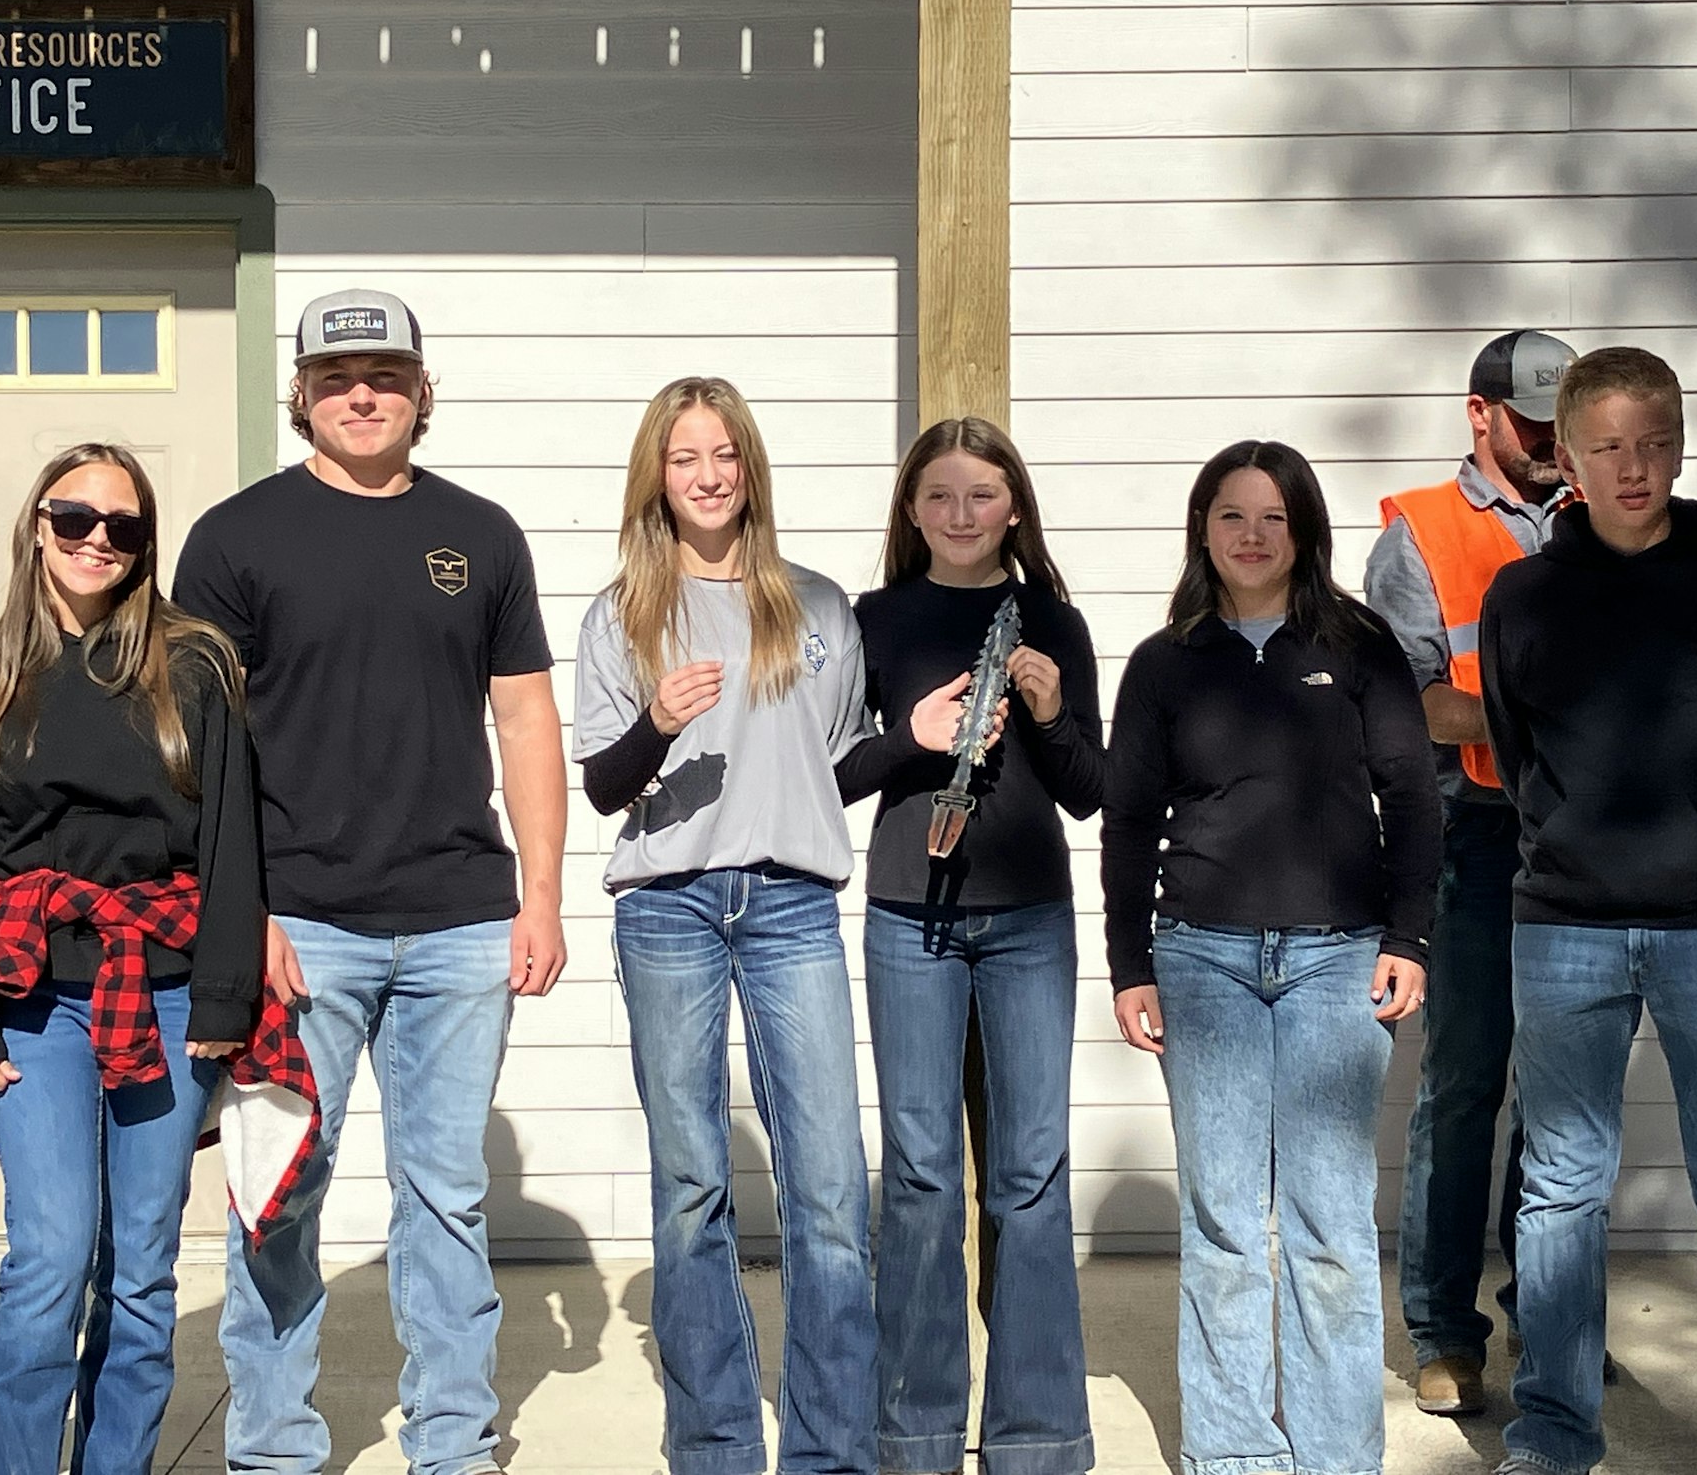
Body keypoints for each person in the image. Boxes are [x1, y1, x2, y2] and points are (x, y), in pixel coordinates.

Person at [176, 288, 569, 1475]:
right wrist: (241, 923)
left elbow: (525, 717)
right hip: (298, 922)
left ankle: (452, 1443)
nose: (363, 395)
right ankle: (272, 1447)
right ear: (300, 394)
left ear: (420, 392)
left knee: (445, 1197)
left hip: (458, 921)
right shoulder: (235, 538)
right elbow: (195, 748)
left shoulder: (484, 535)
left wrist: (540, 896)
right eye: (339, 377)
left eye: (386, 376)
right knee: (280, 1189)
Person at [1480, 347, 1697, 1475]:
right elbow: (1517, 748)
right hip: (1563, 928)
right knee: (1560, 1194)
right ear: (1567, 458)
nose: (1635, 469)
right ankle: (1553, 1432)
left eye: (1654, 443)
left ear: (1680, 443)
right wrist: (1572, 848)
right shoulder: (1522, 596)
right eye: (1609, 448)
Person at [0, 443, 262, 1474]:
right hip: (28, 1001)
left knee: (144, 1268)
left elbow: (230, 843)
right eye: (76, 519)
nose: (98, 541)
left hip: (163, 995)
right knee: (54, 1255)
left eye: (124, 527)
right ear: (37, 526)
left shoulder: (191, 663)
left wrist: (224, 997)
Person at [1104, 439, 1441, 1475]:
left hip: (1335, 961)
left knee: (1329, 1223)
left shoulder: (1360, 644)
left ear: (1302, 531)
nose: (1250, 537)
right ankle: (1234, 1453)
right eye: (1229, 517)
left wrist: (1406, 937)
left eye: (1271, 518)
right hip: (1200, 958)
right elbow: (1126, 822)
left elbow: (1413, 795)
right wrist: (1129, 965)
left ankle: (1338, 1455)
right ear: (1201, 530)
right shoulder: (1166, 662)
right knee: (1220, 1221)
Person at [573, 375, 877, 1475]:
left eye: (724, 456)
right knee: (692, 1183)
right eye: (684, 457)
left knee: (830, 1184)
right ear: (657, 475)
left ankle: (832, 1451)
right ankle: (711, 1448)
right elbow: (606, 789)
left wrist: (923, 736)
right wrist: (657, 723)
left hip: (792, 905)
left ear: (749, 469)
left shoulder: (816, 605)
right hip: (669, 911)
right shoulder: (621, 614)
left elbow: (829, 767)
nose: (706, 476)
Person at [837, 417, 1102, 1475]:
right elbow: (834, 774)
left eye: (980, 496)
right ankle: (914, 1432)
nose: (959, 515)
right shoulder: (872, 621)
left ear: (1014, 508)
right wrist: (914, 736)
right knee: (918, 1174)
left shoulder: (1053, 622)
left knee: (1028, 1176)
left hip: (1029, 917)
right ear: (910, 511)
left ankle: (1037, 1437)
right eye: (938, 497)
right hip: (909, 915)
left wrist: (1043, 711)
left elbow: (1092, 794)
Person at [1364, 328, 1580, 1415]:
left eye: (1561, 418)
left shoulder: (1602, 516)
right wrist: (1552, 719)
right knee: (1461, 1088)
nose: (1550, 440)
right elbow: (1405, 704)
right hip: (1474, 836)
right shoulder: (1422, 533)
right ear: (1478, 413)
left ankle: (1551, 1329)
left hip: (1586, 840)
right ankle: (1444, 1333)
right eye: (1530, 418)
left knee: (1561, 1098)